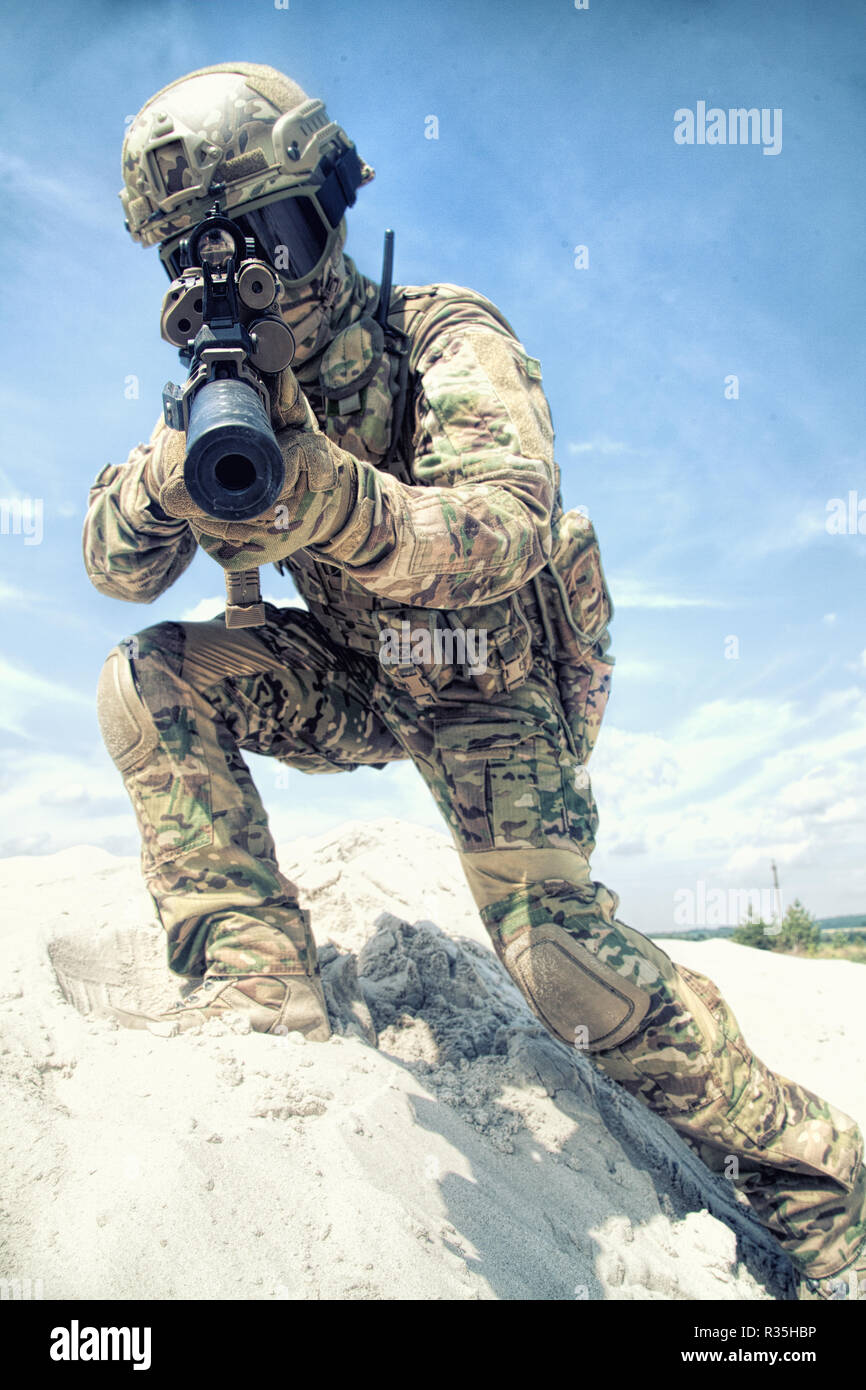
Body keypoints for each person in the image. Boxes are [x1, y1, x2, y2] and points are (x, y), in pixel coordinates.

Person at [84, 62, 865, 1300]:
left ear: (325, 209)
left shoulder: (441, 331)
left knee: (560, 964)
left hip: (483, 678)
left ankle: (825, 1188)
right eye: (202, 252)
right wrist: (170, 475)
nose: (251, 275)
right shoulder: (221, 391)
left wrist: (332, 496)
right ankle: (253, 984)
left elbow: (504, 525)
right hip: (351, 670)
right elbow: (116, 569)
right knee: (147, 676)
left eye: (267, 237)